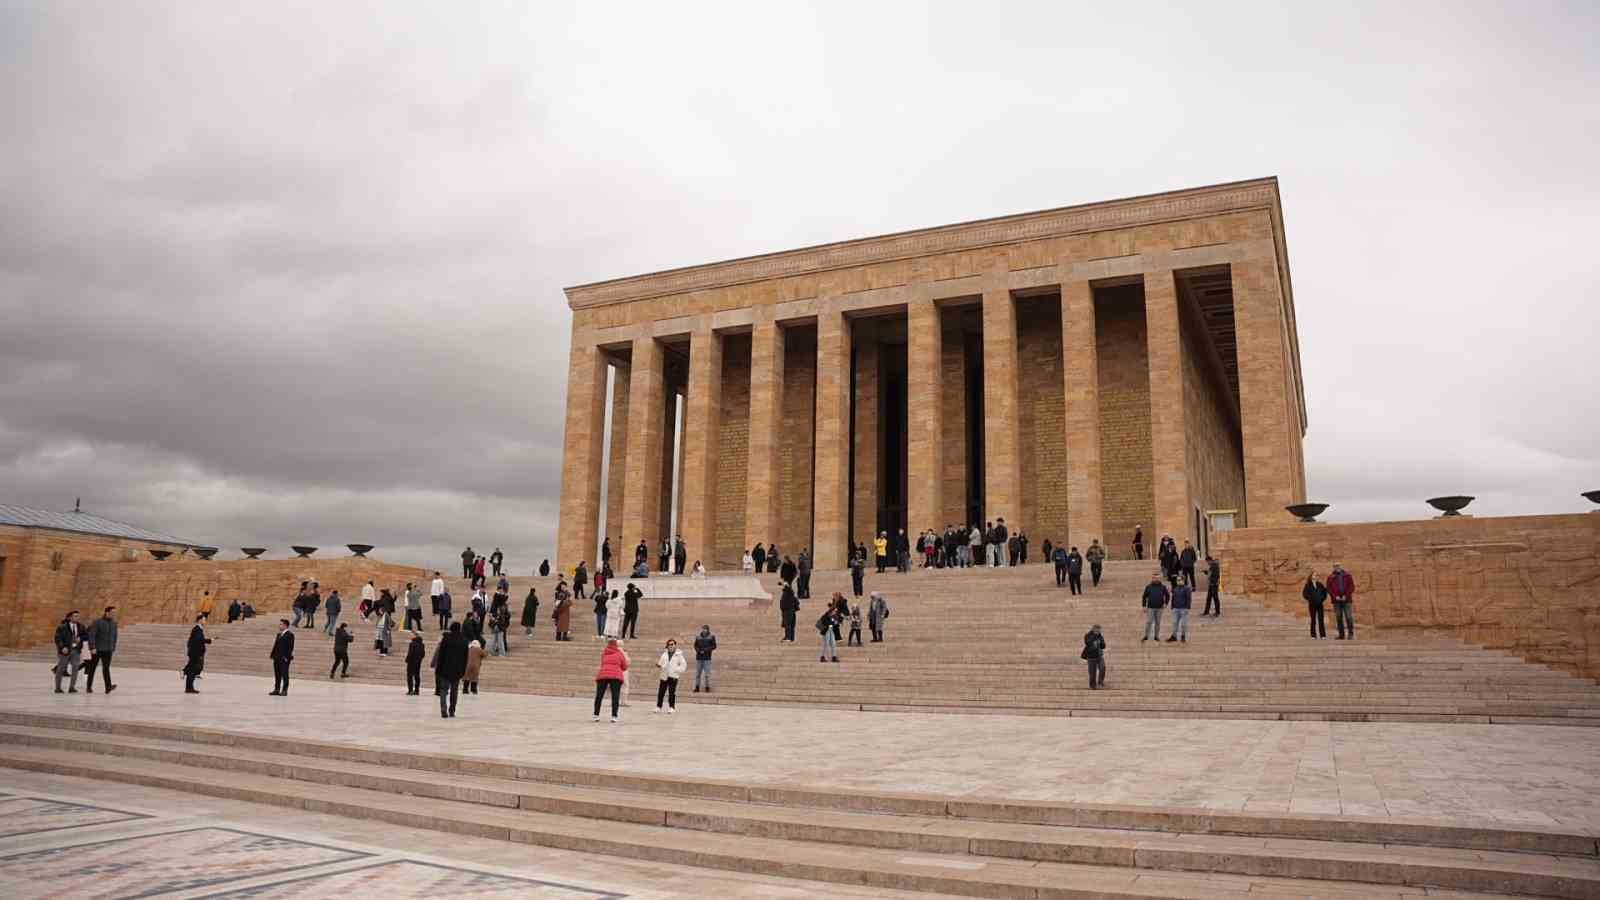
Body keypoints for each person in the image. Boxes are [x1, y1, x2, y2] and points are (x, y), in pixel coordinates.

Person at [434, 622, 467, 718]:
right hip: (457, 670)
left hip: (445, 669)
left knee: (443, 690)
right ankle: (452, 710)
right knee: (454, 691)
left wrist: (438, 669)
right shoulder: (464, 640)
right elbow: (465, 658)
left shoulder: (446, 639)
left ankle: (443, 710)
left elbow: (441, 655)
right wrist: (463, 671)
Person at [83, 606, 118, 693]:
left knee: (106, 668)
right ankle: (88, 686)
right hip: (97, 650)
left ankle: (108, 687)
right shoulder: (97, 622)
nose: (114, 614)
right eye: (112, 612)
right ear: (107, 612)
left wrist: (113, 647)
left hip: (108, 650)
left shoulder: (114, 623)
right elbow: (92, 635)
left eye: (115, 613)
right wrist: (92, 647)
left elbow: (115, 636)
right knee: (92, 668)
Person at [592, 638, 628, 723]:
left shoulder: (604, 653)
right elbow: (625, 666)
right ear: (616, 645)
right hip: (616, 676)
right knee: (615, 696)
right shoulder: (620, 653)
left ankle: (596, 715)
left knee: (599, 695)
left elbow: (603, 663)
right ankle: (614, 716)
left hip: (603, 675)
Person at [53, 610, 85, 693]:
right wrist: (62, 647)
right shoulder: (62, 627)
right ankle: (58, 688)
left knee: (75, 668)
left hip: (76, 650)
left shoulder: (81, 626)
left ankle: (72, 687)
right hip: (65, 651)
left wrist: (80, 638)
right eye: (75, 616)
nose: (77, 618)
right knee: (60, 669)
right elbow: (58, 638)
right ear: (70, 617)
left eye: (78, 616)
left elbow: (85, 635)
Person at [654, 639, 687, 714]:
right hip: (664, 675)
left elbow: (683, 666)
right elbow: (661, 662)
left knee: (671, 692)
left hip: (673, 676)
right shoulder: (664, 654)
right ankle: (658, 707)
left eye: (672, 644)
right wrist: (659, 665)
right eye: (669, 644)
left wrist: (676, 670)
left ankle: (671, 707)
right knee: (661, 692)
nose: (670, 646)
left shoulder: (679, 655)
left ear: (675, 645)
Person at [182, 614, 210, 693]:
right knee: (192, 670)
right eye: (204, 620)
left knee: (192, 670)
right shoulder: (197, 629)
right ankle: (189, 687)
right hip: (195, 654)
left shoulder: (198, 629)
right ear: (200, 620)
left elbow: (193, 640)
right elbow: (198, 640)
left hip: (194, 653)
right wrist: (207, 640)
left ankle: (189, 686)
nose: (205, 621)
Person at [1328, 564, 1357, 639]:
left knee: (1349, 617)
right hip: (1336, 601)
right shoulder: (1330, 577)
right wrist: (1335, 596)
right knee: (1338, 617)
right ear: (1333, 567)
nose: (1337, 567)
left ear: (1341, 567)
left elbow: (1351, 587)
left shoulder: (1347, 576)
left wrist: (1346, 596)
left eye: (1338, 566)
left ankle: (1351, 634)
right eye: (1335, 566)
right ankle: (1341, 635)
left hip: (1347, 600)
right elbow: (1329, 589)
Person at [268, 618, 293, 695]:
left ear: (285, 625)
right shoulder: (279, 634)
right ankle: (277, 689)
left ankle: (284, 690)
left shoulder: (290, 635)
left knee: (285, 674)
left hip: (284, 658)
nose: (279, 626)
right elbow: (276, 645)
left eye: (281, 624)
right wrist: (272, 654)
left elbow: (290, 647)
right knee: (277, 674)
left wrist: (286, 657)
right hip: (277, 657)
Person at [1141, 573, 1169, 643]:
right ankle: (1146, 636)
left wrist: (1166, 603)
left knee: (1158, 622)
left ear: (1159, 579)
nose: (1156, 579)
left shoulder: (1163, 587)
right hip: (1150, 608)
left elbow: (1167, 595)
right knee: (1149, 622)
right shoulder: (1148, 587)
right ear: (1152, 578)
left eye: (1157, 578)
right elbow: (1144, 597)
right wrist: (1144, 606)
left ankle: (1156, 636)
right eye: (1154, 578)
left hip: (1160, 608)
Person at [690, 624, 717, 692]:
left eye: (705, 629)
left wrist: (705, 650)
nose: (704, 630)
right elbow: (695, 645)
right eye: (703, 629)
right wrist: (698, 650)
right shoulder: (698, 637)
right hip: (699, 658)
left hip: (707, 658)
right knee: (698, 674)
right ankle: (697, 687)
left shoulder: (711, 637)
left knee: (707, 674)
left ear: (708, 630)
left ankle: (707, 687)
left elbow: (714, 646)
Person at [1303, 570, 1329, 639]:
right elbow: (1305, 594)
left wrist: (1322, 599)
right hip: (1312, 604)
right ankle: (1313, 635)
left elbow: (1325, 593)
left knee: (1321, 619)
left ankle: (1322, 635)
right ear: (1311, 576)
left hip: (1320, 604)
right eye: (1314, 575)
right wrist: (1310, 599)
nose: (1316, 576)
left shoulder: (1320, 584)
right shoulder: (1308, 585)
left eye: (1317, 575)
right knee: (1313, 620)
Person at [1082, 625, 1107, 689]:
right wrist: (1094, 636)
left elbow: (1103, 646)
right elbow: (1087, 643)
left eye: (1099, 631)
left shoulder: (1100, 636)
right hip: (1091, 657)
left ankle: (1100, 682)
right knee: (1092, 672)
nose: (1098, 632)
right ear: (1093, 630)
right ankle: (1092, 686)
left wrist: (1101, 643)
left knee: (1103, 668)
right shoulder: (1088, 635)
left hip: (1099, 656)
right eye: (1097, 630)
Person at [1168, 577, 1192, 643]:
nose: (1178, 581)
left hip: (1183, 609)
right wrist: (1172, 607)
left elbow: (1188, 598)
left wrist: (1187, 608)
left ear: (1183, 580)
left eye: (1179, 580)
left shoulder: (1187, 589)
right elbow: (1173, 598)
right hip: (1176, 609)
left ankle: (1183, 636)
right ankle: (1174, 636)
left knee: (1183, 624)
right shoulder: (1175, 588)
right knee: (1174, 623)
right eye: (1177, 580)